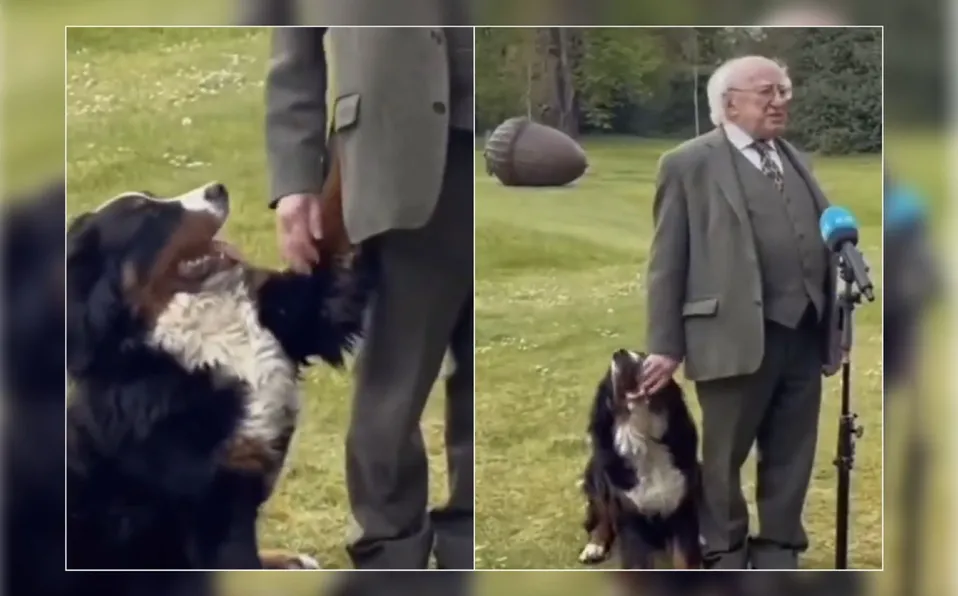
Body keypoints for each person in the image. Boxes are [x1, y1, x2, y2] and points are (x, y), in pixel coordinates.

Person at [264, 26, 474, 570]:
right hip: (387, 149)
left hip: (510, 137)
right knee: (392, 390)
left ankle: (462, 552)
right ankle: (390, 558)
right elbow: (295, 44)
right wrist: (294, 179)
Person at [642, 55, 840, 569]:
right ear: (728, 103)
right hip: (730, 334)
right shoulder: (688, 164)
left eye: (785, 91)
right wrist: (665, 344)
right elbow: (667, 261)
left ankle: (779, 548)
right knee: (724, 457)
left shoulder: (794, 157)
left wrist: (835, 322)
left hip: (803, 332)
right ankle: (724, 549)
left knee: (793, 451)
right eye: (766, 92)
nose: (780, 102)